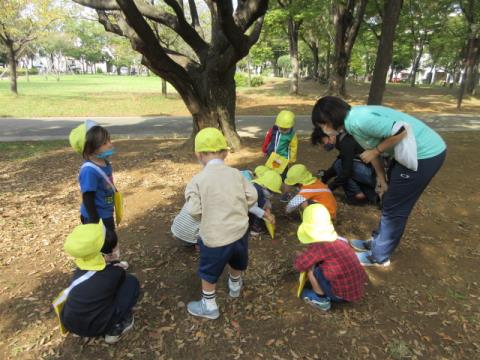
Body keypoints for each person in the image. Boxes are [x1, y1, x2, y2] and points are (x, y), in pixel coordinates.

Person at [311, 96, 447, 266]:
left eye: (323, 124)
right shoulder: (351, 124)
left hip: (425, 154)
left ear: (331, 117)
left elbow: (401, 130)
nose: (323, 129)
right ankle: (377, 242)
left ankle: (378, 256)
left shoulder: (359, 120)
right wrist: (381, 179)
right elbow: (371, 149)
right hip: (406, 153)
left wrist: (376, 151)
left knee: (394, 208)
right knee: (388, 200)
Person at [184, 128, 258, 320]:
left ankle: (209, 305)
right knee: (237, 261)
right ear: (225, 153)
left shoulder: (197, 181)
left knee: (209, 271)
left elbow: (193, 210)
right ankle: (235, 285)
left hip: (214, 237)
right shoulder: (236, 174)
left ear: (198, 155)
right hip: (239, 232)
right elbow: (252, 196)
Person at [61, 221, 140, 343]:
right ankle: (116, 327)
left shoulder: (80, 270)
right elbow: (120, 279)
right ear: (104, 255)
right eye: (114, 248)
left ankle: (82, 329)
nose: (116, 249)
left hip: (70, 323)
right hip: (98, 326)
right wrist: (116, 266)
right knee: (131, 282)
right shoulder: (115, 273)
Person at [294, 204, 367, 311]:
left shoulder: (321, 246)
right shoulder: (340, 240)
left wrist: (301, 256)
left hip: (339, 295)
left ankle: (321, 300)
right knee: (321, 265)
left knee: (312, 270)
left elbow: (299, 265)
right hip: (355, 290)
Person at [69, 120, 117, 231]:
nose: (110, 144)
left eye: (109, 140)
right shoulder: (89, 171)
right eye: (104, 143)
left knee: (109, 243)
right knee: (104, 245)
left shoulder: (104, 162)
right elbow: (88, 197)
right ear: (90, 148)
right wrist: (94, 221)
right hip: (97, 217)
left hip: (106, 212)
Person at [311, 126, 377, 205]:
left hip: (374, 175)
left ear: (330, 135)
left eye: (322, 142)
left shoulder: (346, 143)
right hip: (371, 172)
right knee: (340, 164)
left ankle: (357, 195)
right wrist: (325, 177)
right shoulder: (343, 139)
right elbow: (341, 162)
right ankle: (368, 194)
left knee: (341, 166)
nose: (323, 146)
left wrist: (329, 188)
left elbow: (345, 171)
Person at [262, 110, 298, 189]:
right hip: (271, 155)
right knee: (271, 170)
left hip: (282, 158)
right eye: (281, 128)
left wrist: (292, 159)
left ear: (291, 126)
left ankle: (285, 191)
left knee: (283, 174)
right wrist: (264, 150)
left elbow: (293, 147)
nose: (282, 131)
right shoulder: (273, 130)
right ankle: (269, 186)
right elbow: (267, 139)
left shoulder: (292, 135)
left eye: (285, 129)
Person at [249, 170, 282, 235]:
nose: (272, 195)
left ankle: (252, 223)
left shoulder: (259, 187)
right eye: (271, 192)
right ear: (264, 187)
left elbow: (266, 199)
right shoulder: (254, 191)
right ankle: (254, 228)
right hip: (234, 209)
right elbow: (251, 207)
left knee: (261, 204)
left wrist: (268, 211)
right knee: (259, 206)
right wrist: (267, 215)